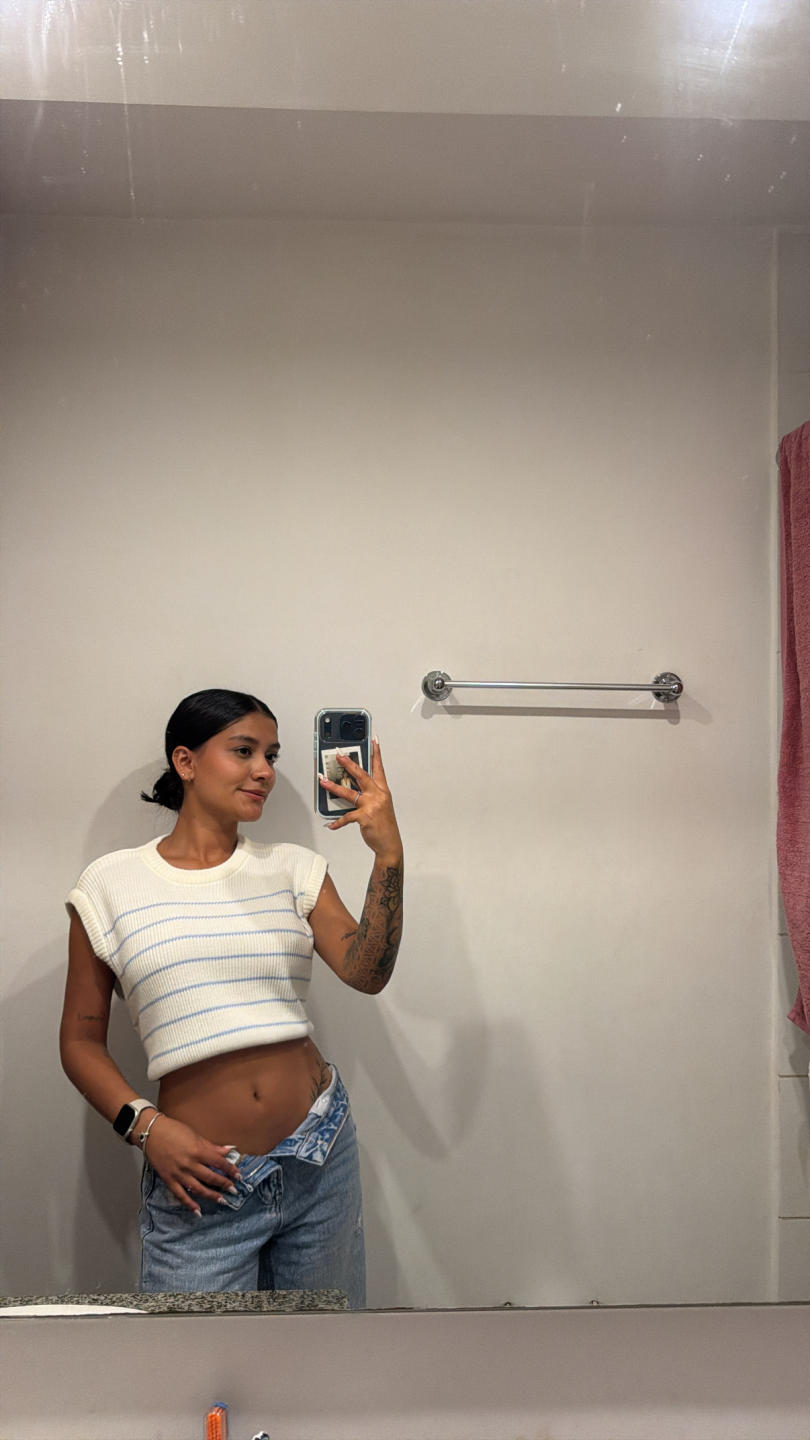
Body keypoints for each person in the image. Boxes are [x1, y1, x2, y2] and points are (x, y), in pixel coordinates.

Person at [59, 688, 403, 1307]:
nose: (264, 771)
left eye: (271, 755)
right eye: (244, 751)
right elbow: (80, 1042)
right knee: (199, 1362)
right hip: (202, 1180)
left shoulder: (294, 869)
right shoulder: (110, 884)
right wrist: (147, 1128)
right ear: (185, 761)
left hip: (318, 1156)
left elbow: (367, 972)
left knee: (324, 1355)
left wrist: (388, 855)